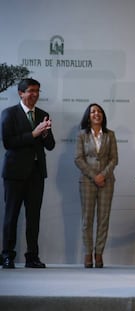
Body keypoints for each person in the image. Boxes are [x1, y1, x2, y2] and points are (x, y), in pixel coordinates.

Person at [1, 78, 55, 269]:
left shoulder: (43, 114)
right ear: (20, 93)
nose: (35, 94)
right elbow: (9, 142)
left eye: (37, 91)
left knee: (34, 217)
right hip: (14, 174)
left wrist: (45, 133)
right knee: (11, 216)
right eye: (31, 91)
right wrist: (34, 133)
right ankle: (7, 256)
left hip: (36, 173)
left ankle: (32, 257)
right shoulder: (9, 114)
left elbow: (50, 146)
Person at [75, 103, 118, 268]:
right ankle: (88, 254)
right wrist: (94, 176)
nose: (96, 114)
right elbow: (78, 159)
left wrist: (103, 175)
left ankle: (99, 254)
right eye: (93, 111)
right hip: (87, 181)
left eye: (99, 111)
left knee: (103, 219)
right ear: (88, 116)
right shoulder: (81, 135)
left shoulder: (110, 135)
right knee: (87, 219)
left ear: (103, 116)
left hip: (107, 181)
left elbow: (114, 159)